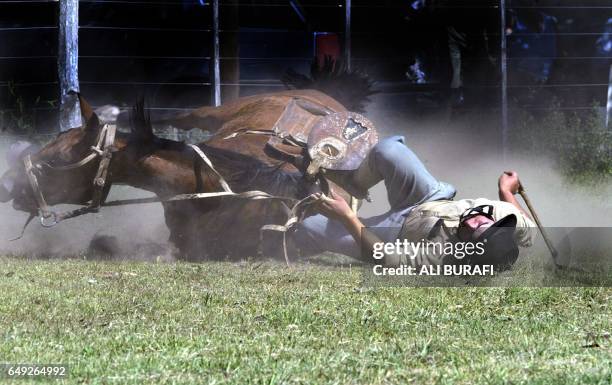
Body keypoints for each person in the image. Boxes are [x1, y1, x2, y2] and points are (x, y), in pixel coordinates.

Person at [294, 136, 536, 270]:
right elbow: (522, 217)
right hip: (429, 197)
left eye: (472, 233)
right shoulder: (508, 218)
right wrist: (506, 190)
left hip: (395, 234)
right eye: (483, 222)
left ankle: (281, 237)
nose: (473, 222)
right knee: (388, 149)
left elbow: (383, 256)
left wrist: (348, 217)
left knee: (309, 226)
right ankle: (355, 183)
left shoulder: (443, 258)